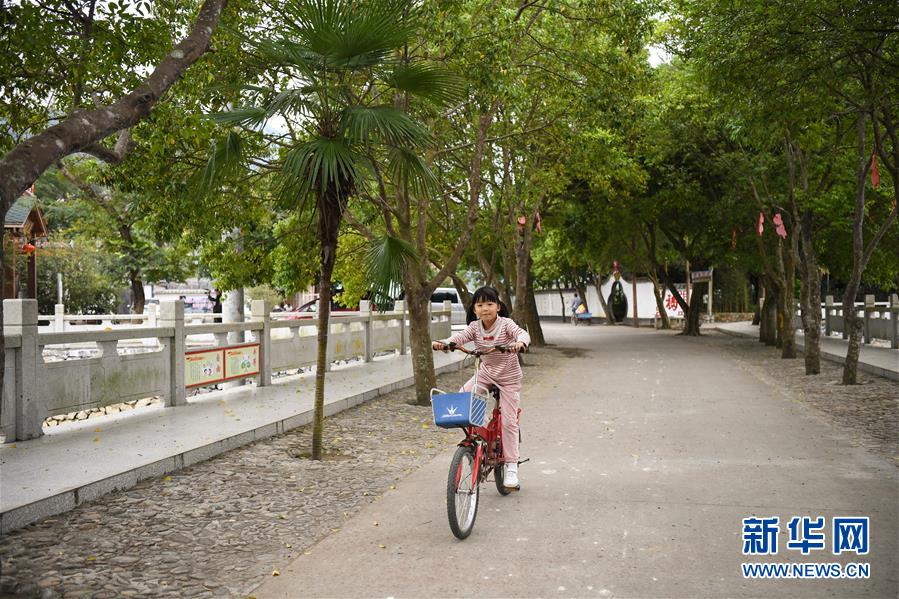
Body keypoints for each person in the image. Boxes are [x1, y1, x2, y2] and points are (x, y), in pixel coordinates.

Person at [432, 286, 530, 490]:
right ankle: (485, 430)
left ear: (498, 306)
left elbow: (521, 333)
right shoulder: (474, 327)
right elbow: (459, 338)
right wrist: (446, 343)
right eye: (480, 305)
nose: (485, 308)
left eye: (490, 304)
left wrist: (520, 343)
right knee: (463, 397)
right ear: (474, 309)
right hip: (486, 373)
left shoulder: (506, 324)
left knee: (509, 422)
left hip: (508, 378)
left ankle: (512, 466)